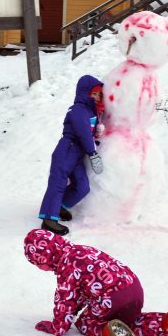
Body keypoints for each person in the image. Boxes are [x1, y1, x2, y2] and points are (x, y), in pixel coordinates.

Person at [23, 229, 168, 336]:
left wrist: (57, 327)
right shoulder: (81, 250)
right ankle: (165, 323)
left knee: (85, 322)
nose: (39, 267)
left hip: (111, 298)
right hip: (133, 287)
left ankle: (108, 333)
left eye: (37, 263)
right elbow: (83, 288)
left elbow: (66, 301)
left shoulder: (66, 267)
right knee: (128, 322)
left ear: (45, 258)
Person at [38, 75, 105, 235]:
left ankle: (58, 207)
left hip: (77, 154)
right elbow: (83, 133)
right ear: (85, 92)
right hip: (67, 149)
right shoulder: (77, 109)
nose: (97, 97)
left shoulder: (90, 112)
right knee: (58, 183)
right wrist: (93, 153)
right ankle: (48, 220)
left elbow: (88, 134)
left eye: (99, 95)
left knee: (82, 186)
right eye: (94, 93)